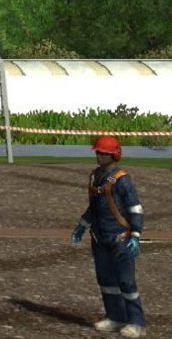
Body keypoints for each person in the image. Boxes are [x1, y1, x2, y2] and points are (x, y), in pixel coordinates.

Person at [72, 135, 145, 338]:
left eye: (104, 153)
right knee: (105, 280)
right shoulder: (95, 177)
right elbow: (94, 207)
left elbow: (135, 208)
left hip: (120, 238)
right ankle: (115, 317)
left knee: (126, 282)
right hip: (99, 237)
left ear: (114, 155)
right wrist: (82, 225)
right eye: (98, 152)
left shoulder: (122, 179)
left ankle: (136, 322)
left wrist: (136, 235)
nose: (100, 156)